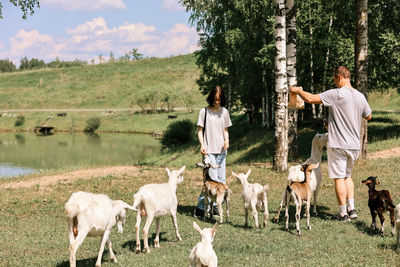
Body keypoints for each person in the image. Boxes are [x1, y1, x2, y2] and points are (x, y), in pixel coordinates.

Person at [290, 66, 372, 221]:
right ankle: (352, 209)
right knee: (348, 176)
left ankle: (342, 213)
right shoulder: (360, 96)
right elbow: (369, 116)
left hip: (338, 144)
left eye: (334, 80)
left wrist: (298, 91)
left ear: (339, 77)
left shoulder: (337, 93)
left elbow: (310, 99)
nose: (334, 83)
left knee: (339, 178)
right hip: (354, 145)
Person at [194, 85, 232, 217]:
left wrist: (227, 141)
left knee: (221, 181)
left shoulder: (225, 112)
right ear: (211, 98)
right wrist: (202, 145)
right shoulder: (204, 112)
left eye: (220, 99)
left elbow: (226, 130)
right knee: (211, 180)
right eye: (215, 99)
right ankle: (200, 208)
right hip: (208, 150)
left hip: (221, 151)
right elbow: (200, 131)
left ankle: (215, 207)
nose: (217, 101)